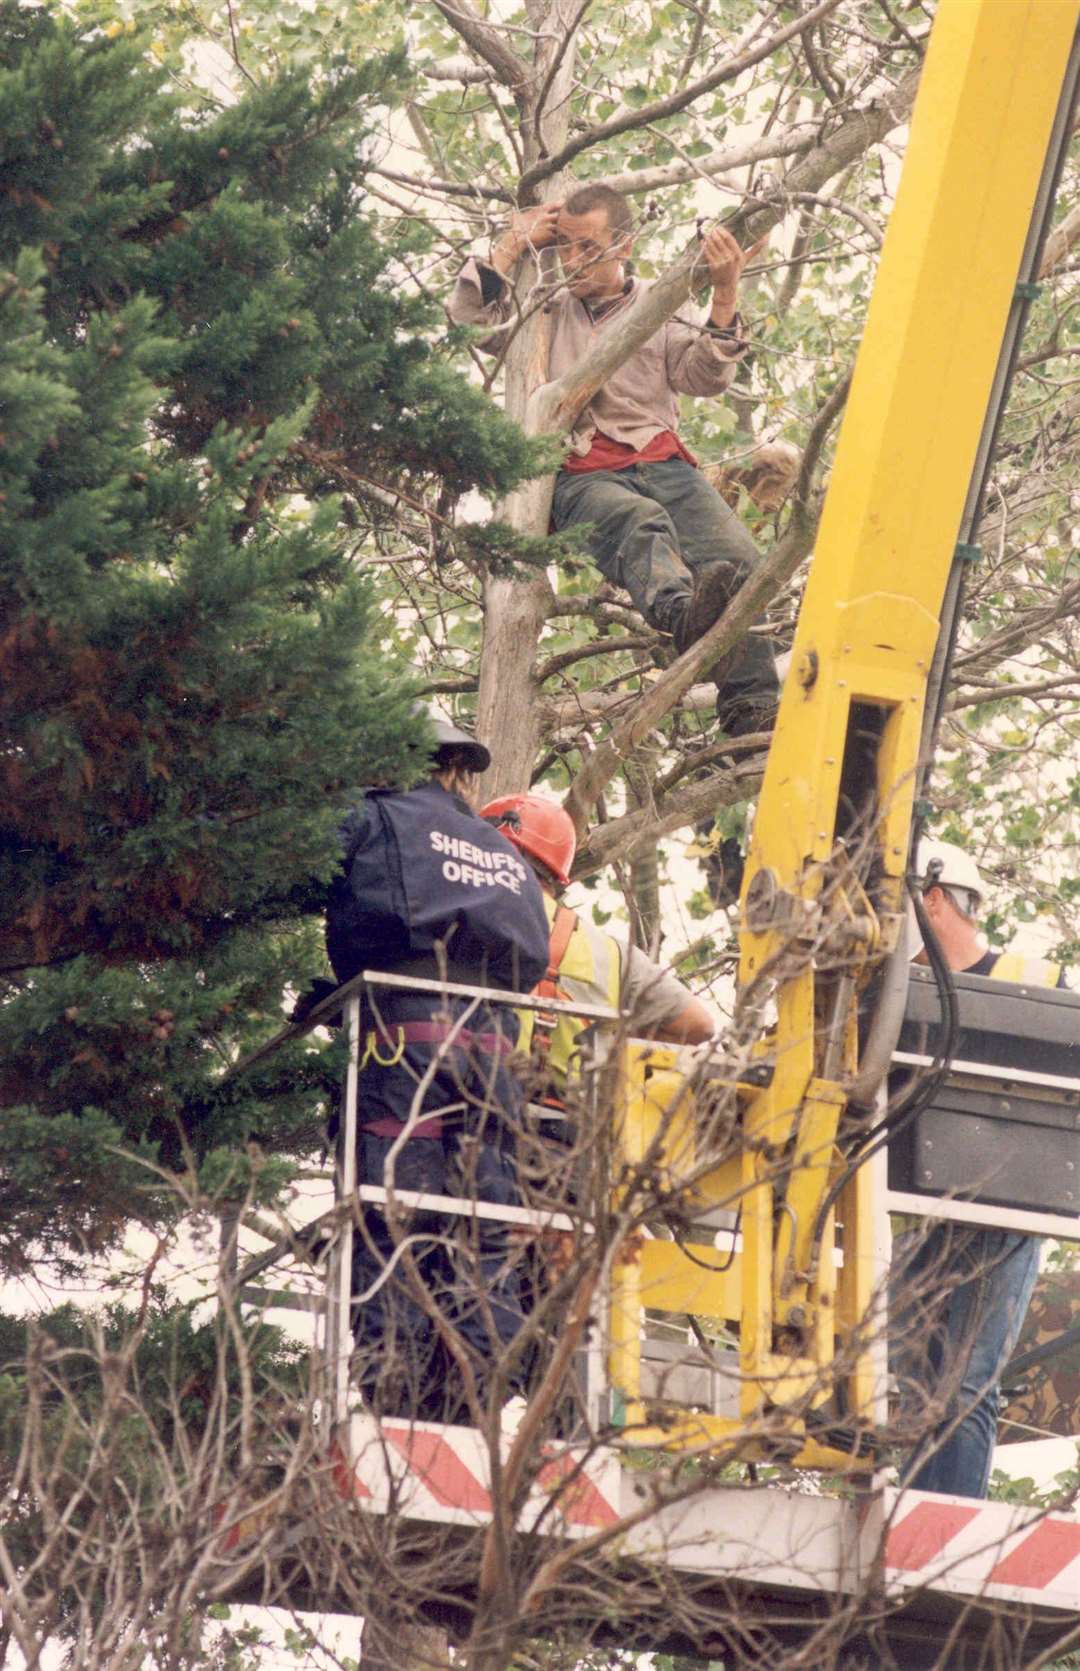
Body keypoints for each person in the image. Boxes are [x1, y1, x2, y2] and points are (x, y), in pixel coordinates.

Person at [449, 182, 779, 736]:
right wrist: (511, 247)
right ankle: (680, 615)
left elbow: (704, 376)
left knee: (740, 557)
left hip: (661, 462)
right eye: (565, 248)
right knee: (637, 524)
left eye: (588, 247)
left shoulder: (660, 303)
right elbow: (470, 322)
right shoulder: (543, 306)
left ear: (624, 245)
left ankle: (752, 706)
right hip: (582, 473)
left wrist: (724, 296)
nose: (573, 261)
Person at [325, 714, 550, 1423]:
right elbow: (531, 959)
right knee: (483, 1223)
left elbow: (289, 869)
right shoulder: (504, 852)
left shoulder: (372, 817)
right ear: (456, 768)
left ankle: (394, 1388)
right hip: (493, 1063)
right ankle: (478, 1396)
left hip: (404, 1047)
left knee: (395, 1218)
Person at [892, 838, 1067, 1499]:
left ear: (932, 899)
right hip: (925, 1210)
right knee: (907, 1375)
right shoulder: (898, 996)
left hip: (1007, 1212)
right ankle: (906, 1512)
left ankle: (944, 1524)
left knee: (964, 1383)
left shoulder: (1035, 978)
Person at [479, 793, 716, 1103]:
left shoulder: (462, 916)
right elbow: (698, 1025)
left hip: (473, 1115)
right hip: (571, 1133)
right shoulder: (612, 953)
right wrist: (608, 1047)